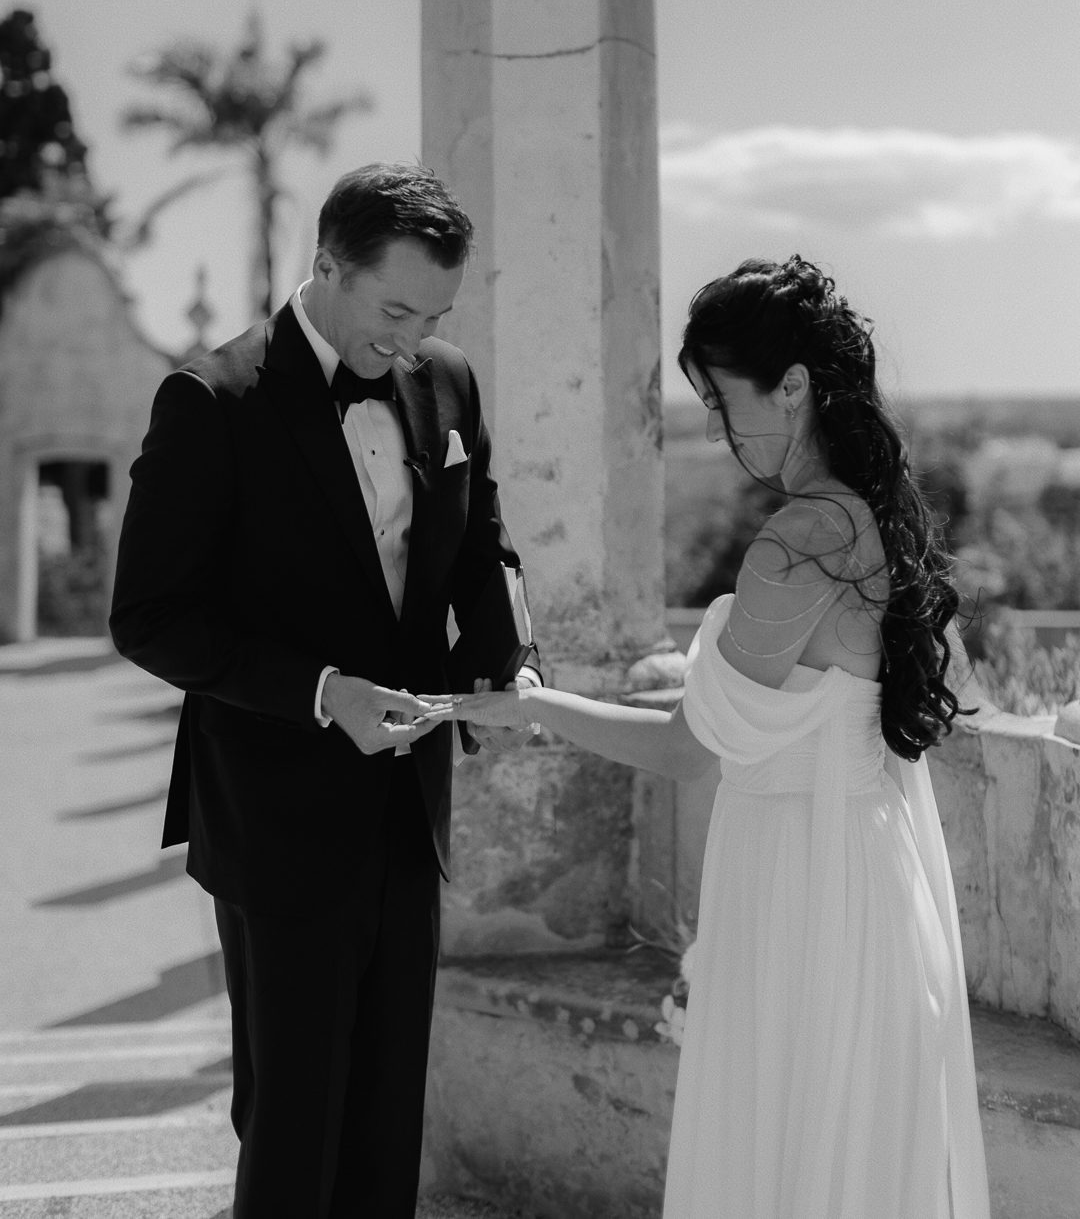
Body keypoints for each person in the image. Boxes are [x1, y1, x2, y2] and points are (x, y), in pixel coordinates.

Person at [446, 255, 991, 1219]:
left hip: (800, 889)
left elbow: (688, 750)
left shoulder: (799, 540)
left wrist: (533, 708)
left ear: (793, 388)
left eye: (719, 398)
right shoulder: (872, 516)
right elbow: (737, 715)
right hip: (862, 872)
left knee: (778, 1155)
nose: (713, 428)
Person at [109, 162, 539, 1219]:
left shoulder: (449, 382)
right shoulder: (211, 402)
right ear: (325, 268)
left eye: (432, 313)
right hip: (274, 817)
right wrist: (321, 691)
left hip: (408, 813)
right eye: (393, 309)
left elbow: (484, 550)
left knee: (389, 1124)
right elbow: (149, 617)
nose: (411, 341)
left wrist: (514, 666)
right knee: (296, 1129)